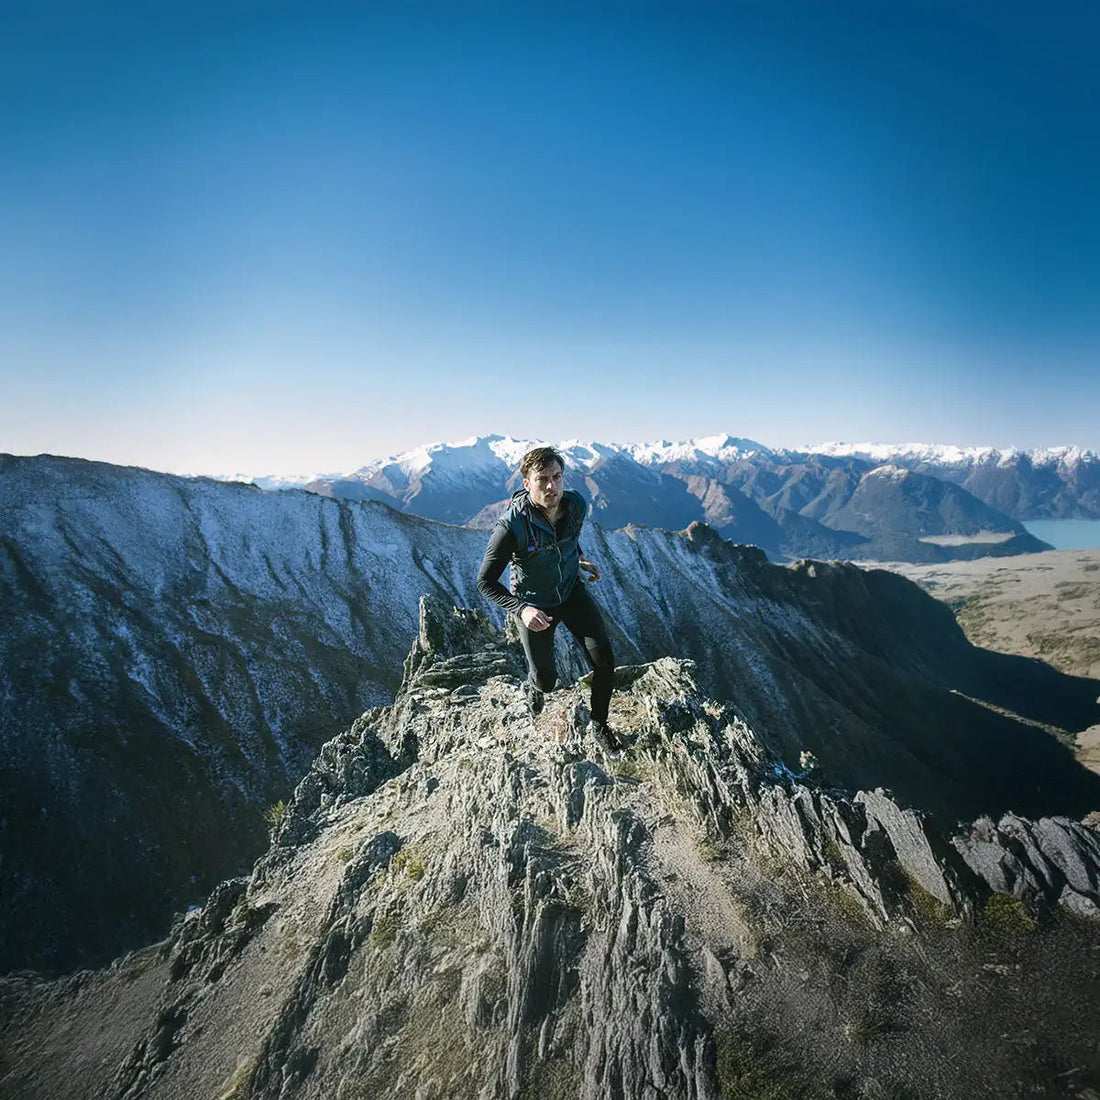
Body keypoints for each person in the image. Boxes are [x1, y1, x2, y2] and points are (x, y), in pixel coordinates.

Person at [476, 446, 623, 753]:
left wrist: (578, 558)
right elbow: (485, 583)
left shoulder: (576, 505)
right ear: (527, 483)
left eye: (557, 477)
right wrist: (522, 609)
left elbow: (568, 536)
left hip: (571, 592)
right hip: (534, 604)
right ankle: (533, 686)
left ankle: (599, 724)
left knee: (604, 659)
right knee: (546, 680)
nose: (552, 486)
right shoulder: (511, 527)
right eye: (542, 479)